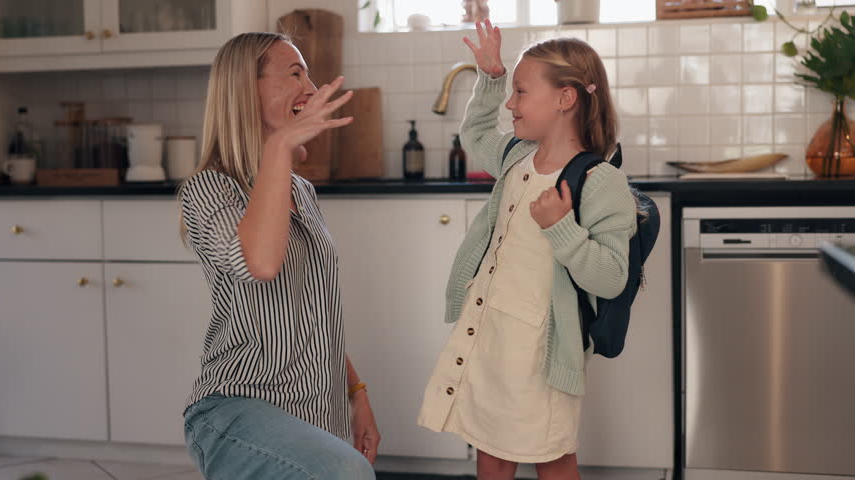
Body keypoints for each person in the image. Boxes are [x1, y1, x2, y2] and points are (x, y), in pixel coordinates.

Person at [418, 20, 637, 480]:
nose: (511, 104)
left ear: (565, 98)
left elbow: (612, 276)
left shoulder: (601, 183)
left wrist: (561, 228)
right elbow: (476, 135)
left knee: (551, 456)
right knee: (491, 452)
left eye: (520, 92)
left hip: (542, 352)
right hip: (492, 335)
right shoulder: (517, 155)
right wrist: (493, 78)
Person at [178, 32, 380, 480]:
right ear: (245, 90)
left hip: (313, 411)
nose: (310, 88)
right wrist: (280, 145)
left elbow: (313, 308)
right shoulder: (211, 188)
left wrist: (357, 394)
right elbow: (260, 264)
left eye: (308, 73)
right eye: (295, 73)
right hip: (237, 408)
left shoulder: (303, 192)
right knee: (348, 474)